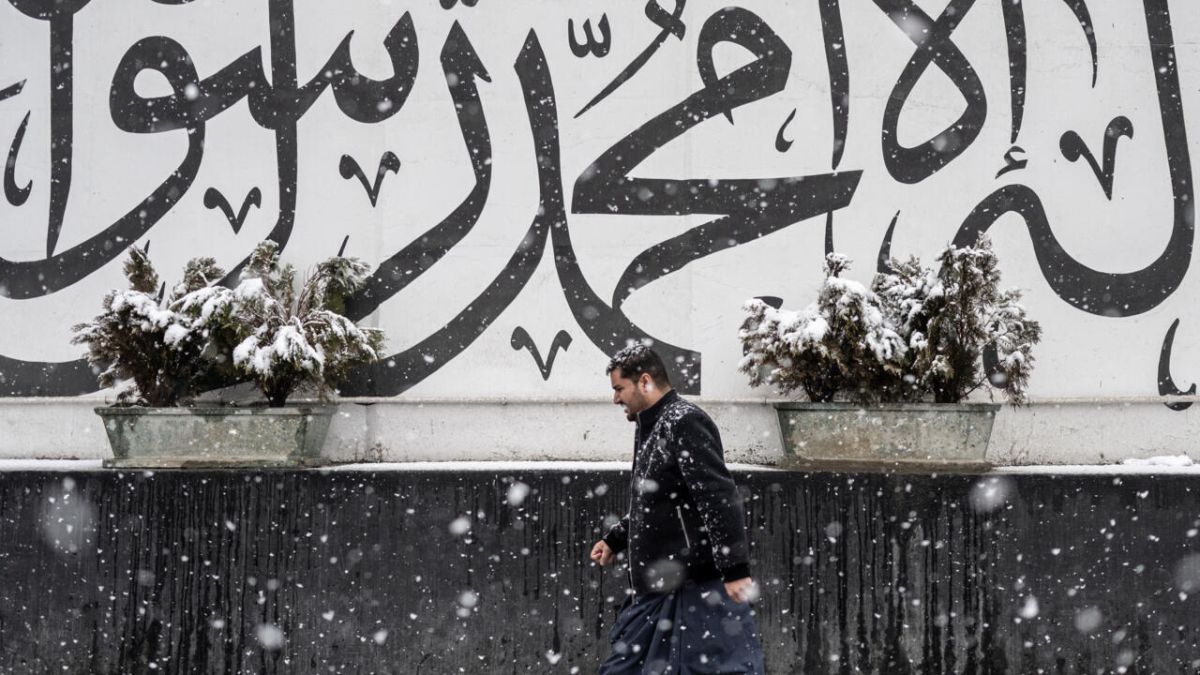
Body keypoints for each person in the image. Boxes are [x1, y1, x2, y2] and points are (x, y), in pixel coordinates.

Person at [590, 345, 765, 674]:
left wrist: (735, 569)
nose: (615, 399)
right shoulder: (653, 424)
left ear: (645, 381)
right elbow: (656, 500)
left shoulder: (683, 422)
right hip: (659, 591)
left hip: (690, 588)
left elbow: (717, 496)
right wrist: (616, 538)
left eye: (619, 388)